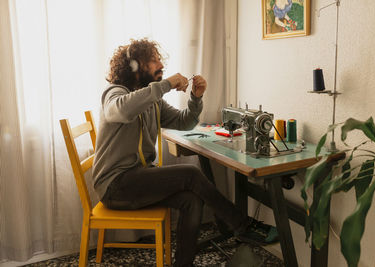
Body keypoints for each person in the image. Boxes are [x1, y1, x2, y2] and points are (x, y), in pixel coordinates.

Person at [92, 38, 277, 267]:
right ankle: (242, 226)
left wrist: (196, 98)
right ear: (137, 66)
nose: (161, 65)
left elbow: (185, 122)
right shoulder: (115, 92)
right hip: (115, 186)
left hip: (138, 181)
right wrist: (166, 85)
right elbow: (119, 111)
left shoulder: (152, 101)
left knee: (191, 200)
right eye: (154, 60)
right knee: (190, 174)